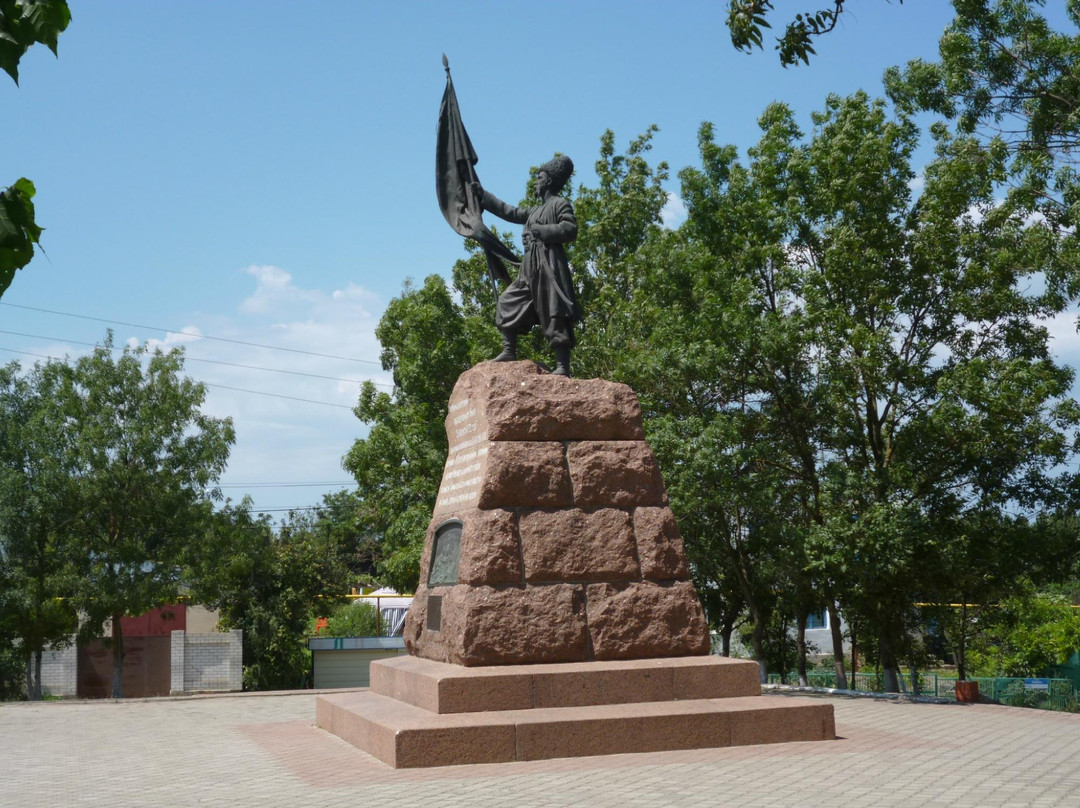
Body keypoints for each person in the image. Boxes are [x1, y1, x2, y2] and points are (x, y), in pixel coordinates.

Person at [471, 155, 579, 376]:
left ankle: (562, 367)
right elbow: (509, 212)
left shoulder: (560, 204)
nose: (535, 182)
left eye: (539, 178)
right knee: (507, 301)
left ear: (549, 181)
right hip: (529, 269)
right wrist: (483, 196)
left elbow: (570, 229)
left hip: (549, 267)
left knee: (553, 311)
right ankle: (509, 350)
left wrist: (542, 232)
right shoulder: (534, 211)